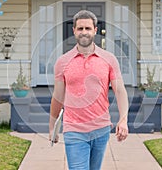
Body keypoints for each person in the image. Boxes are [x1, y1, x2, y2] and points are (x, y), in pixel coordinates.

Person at [49, 10, 129, 170]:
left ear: (95, 30)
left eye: (87, 28)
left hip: (101, 128)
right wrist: (52, 127)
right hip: (74, 129)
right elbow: (58, 96)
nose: (83, 32)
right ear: (74, 31)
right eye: (80, 29)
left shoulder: (109, 59)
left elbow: (120, 91)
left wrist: (123, 120)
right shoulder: (63, 62)